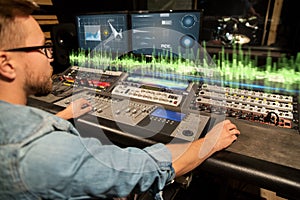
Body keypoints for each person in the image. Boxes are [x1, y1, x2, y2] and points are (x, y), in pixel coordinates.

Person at [0, 0, 241, 199]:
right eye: (42, 48)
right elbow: (146, 169)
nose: (50, 57)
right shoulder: (46, 154)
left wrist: (61, 116)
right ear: (6, 64)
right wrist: (209, 141)